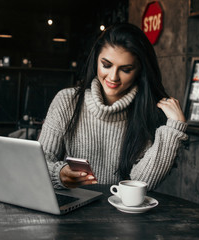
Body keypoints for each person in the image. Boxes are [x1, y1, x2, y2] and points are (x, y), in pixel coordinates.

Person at [38, 23, 188, 190]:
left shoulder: (148, 112)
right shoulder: (67, 101)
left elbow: (142, 183)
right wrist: (59, 174)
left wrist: (173, 129)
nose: (113, 77)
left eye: (126, 69)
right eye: (106, 65)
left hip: (122, 213)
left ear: (140, 71)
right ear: (96, 60)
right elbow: (41, 159)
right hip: (71, 208)